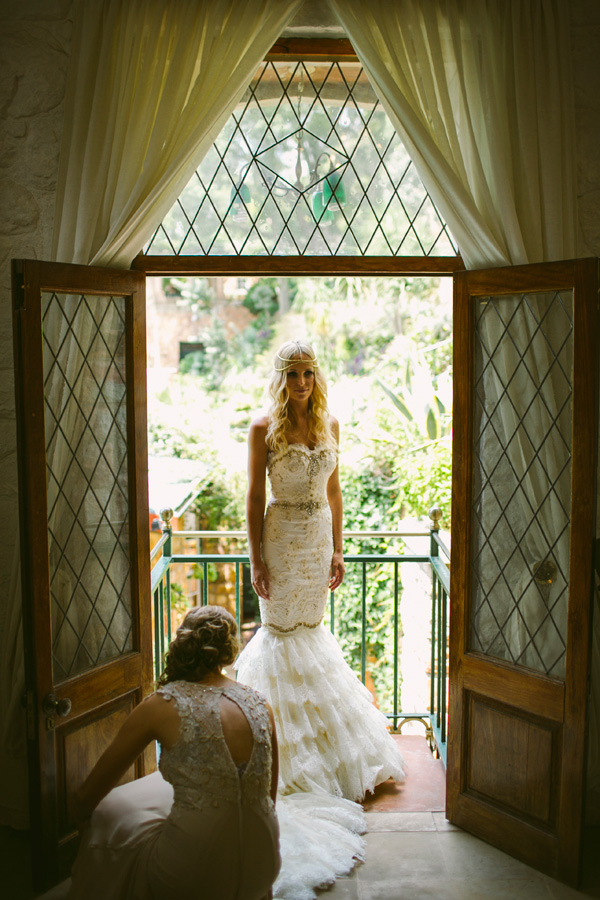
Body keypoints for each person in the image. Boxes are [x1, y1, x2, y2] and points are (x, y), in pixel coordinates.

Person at [235, 339, 405, 898]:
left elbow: (334, 488)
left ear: (317, 375)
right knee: (280, 635)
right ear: (281, 377)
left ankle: (332, 756)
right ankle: (278, 756)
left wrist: (338, 548)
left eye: (309, 372)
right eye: (293, 373)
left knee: (311, 634)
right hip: (281, 541)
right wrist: (256, 558)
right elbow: (254, 493)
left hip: (316, 545)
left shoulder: (331, 422)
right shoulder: (265, 427)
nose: (303, 381)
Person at [40, 606, 280, 900]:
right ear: (230, 651)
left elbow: (87, 797)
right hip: (264, 865)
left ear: (182, 642)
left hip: (192, 873)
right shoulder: (260, 704)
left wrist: (85, 831)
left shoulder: (161, 704)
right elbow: (269, 799)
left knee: (115, 825)